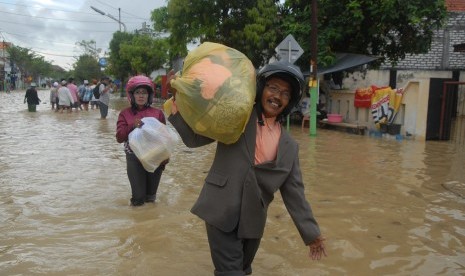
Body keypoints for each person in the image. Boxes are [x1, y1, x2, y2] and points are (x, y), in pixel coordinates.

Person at [167, 62, 327, 275]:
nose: (278, 96)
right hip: (220, 208)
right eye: (273, 88)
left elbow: (295, 194)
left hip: (253, 221)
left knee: (243, 270)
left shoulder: (290, 147)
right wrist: (177, 100)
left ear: (290, 102)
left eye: (286, 94)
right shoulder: (238, 115)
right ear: (261, 89)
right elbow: (196, 138)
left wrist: (311, 234)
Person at [116, 75, 168, 206]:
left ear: (149, 95)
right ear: (131, 95)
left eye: (144, 93)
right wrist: (132, 125)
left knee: (151, 198)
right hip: (134, 157)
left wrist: (164, 159)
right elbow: (119, 137)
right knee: (138, 199)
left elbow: (165, 138)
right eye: (137, 93)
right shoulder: (124, 113)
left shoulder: (158, 113)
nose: (141, 96)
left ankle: (150, 224)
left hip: (155, 156)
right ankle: (137, 223)